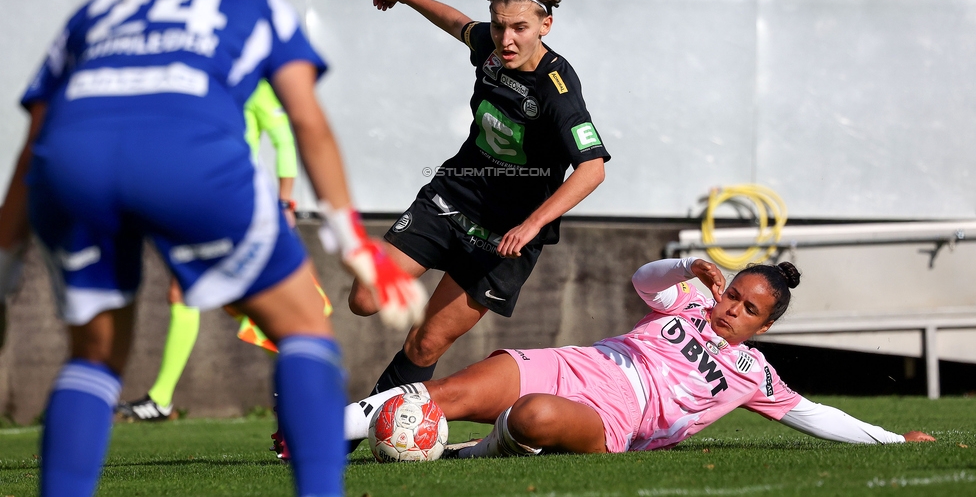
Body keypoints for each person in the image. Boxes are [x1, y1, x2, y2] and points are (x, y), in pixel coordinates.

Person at [0, 0, 423, 497]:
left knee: (93, 360)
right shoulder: (246, 0)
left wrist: (5, 262)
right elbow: (306, 123)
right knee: (304, 324)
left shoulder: (98, 12)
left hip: (74, 169)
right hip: (188, 165)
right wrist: (352, 243)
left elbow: (34, 145)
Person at [345, 258, 936, 458]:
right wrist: (688, 268)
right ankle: (324, 430)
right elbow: (642, 280)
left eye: (749, 309)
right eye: (734, 293)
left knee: (532, 419)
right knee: (442, 395)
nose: (732, 308)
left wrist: (890, 441)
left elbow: (814, 415)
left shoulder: (753, 375)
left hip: (617, 418)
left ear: (766, 324)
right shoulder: (690, 303)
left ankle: (469, 453)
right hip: (579, 362)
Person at [361, 0, 610, 398]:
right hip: (453, 196)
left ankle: (354, 428)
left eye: (520, 28)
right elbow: (455, 22)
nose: (506, 39)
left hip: (505, 235)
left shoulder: (559, 90)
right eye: (498, 25)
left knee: (426, 343)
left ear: (545, 26)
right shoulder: (492, 49)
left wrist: (531, 226)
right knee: (365, 298)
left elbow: (592, 169)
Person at [117, 79, 304, 423]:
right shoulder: (203, 82)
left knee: (255, 303)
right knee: (186, 293)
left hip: (239, 208)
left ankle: (306, 379)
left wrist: (286, 202)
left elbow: (285, 140)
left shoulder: (257, 85)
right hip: (201, 206)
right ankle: (161, 400)